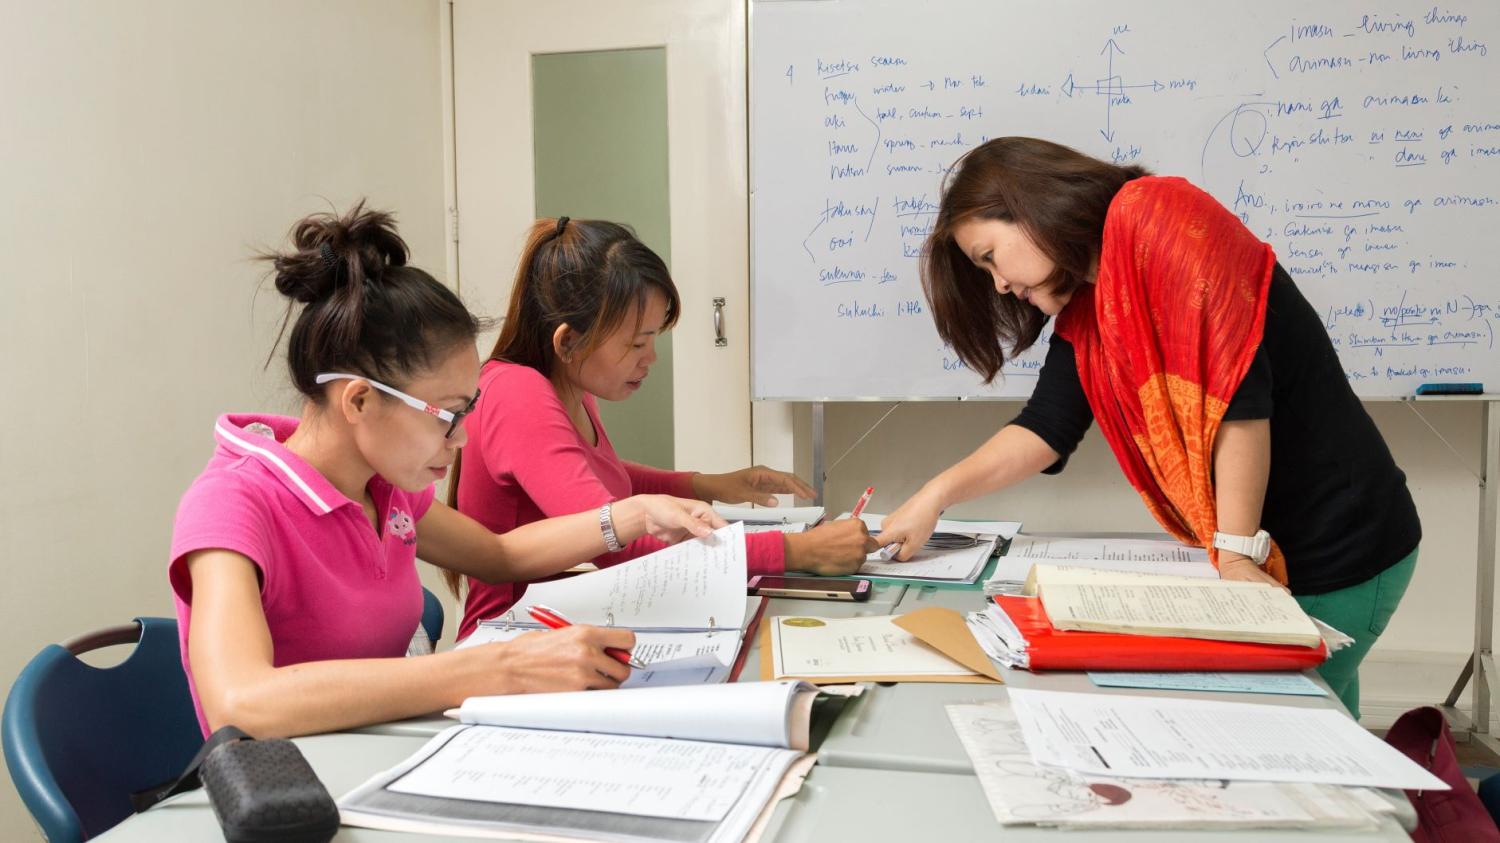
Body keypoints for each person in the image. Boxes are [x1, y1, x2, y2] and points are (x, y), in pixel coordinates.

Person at [877, 138, 1420, 717]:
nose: (1000, 285)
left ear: (1030, 208)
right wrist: (934, 497)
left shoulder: (1158, 216)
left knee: (1294, 734)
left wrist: (1235, 557)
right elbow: (1046, 427)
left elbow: (1235, 397)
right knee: (1330, 736)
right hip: (1269, 549)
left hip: (1337, 544)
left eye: (989, 257)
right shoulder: (1090, 302)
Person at [169, 203, 725, 738]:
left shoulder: (383, 488)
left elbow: (498, 554)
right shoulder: (231, 504)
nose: (460, 440)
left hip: (376, 752)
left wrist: (631, 515)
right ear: (359, 401)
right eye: (447, 416)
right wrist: (500, 667)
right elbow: (241, 703)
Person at [447, 218, 874, 640]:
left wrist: (709, 484)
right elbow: (619, 540)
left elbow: (602, 479)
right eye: (636, 343)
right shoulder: (517, 394)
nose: (650, 358)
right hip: (510, 639)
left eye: (654, 338)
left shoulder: (569, 385)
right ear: (568, 342)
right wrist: (799, 551)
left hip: (567, 624)